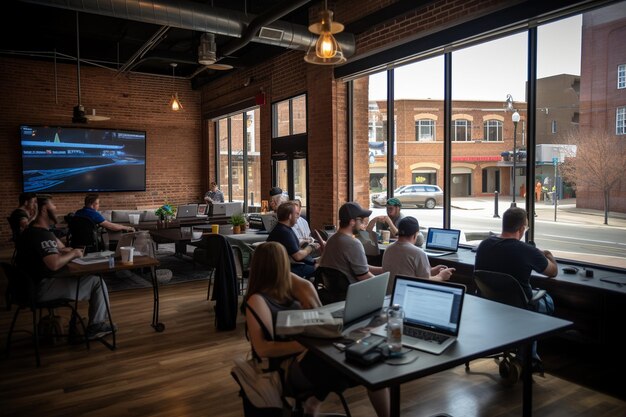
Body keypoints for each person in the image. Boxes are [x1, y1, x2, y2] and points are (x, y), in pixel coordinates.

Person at [243, 242, 390, 417]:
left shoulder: (284, 289)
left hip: (307, 356)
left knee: (367, 364)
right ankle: (313, 404)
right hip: (286, 367)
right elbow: (263, 348)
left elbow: (310, 301)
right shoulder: (257, 300)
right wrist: (306, 346)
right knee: (352, 361)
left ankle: (313, 405)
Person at [15, 195, 116, 340]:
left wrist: (65, 250)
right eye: (53, 205)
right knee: (97, 282)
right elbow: (54, 263)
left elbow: (56, 248)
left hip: (27, 287)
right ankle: (96, 326)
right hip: (40, 289)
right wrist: (74, 252)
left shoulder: (32, 232)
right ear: (44, 209)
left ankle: (96, 324)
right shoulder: (41, 235)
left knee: (87, 279)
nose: (56, 208)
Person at [475, 207, 557, 363]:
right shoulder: (527, 250)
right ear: (521, 229)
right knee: (547, 301)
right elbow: (552, 272)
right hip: (520, 308)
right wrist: (548, 255)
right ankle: (526, 356)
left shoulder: (484, 245)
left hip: (489, 305)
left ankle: (522, 351)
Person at [382, 216, 455, 294]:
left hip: (389, 296)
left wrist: (432, 270)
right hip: (408, 297)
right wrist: (441, 276)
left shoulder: (388, 249)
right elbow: (425, 282)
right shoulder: (418, 253)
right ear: (415, 235)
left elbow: (408, 272)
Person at [318, 202, 383, 282]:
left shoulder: (331, 239)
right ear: (352, 222)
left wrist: (384, 270)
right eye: (361, 220)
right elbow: (363, 276)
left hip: (333, 290)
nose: (363, 223)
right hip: (353, 290)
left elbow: (362, 267)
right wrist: (383, 283)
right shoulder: (353, 243)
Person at [267, 201, 320, 279]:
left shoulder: (281, 228)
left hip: (280, 268)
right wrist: (311, 247)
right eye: (296, 214)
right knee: (322, 268)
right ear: (290, 216)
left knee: (317, 264)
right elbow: (298, 256)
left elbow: (291, 248)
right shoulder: (285, 232)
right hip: (286, 270)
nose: (298, 217)